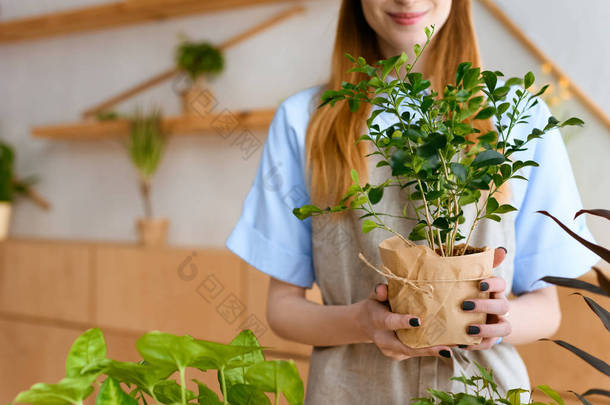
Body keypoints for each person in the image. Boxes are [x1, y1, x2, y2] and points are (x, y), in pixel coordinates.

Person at [226, 0, 600, 403]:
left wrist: (497, 321)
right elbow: (283, 309)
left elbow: (548, 309)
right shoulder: (306, 120)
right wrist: (362, 322)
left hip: (481, 392)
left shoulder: (519, 116)